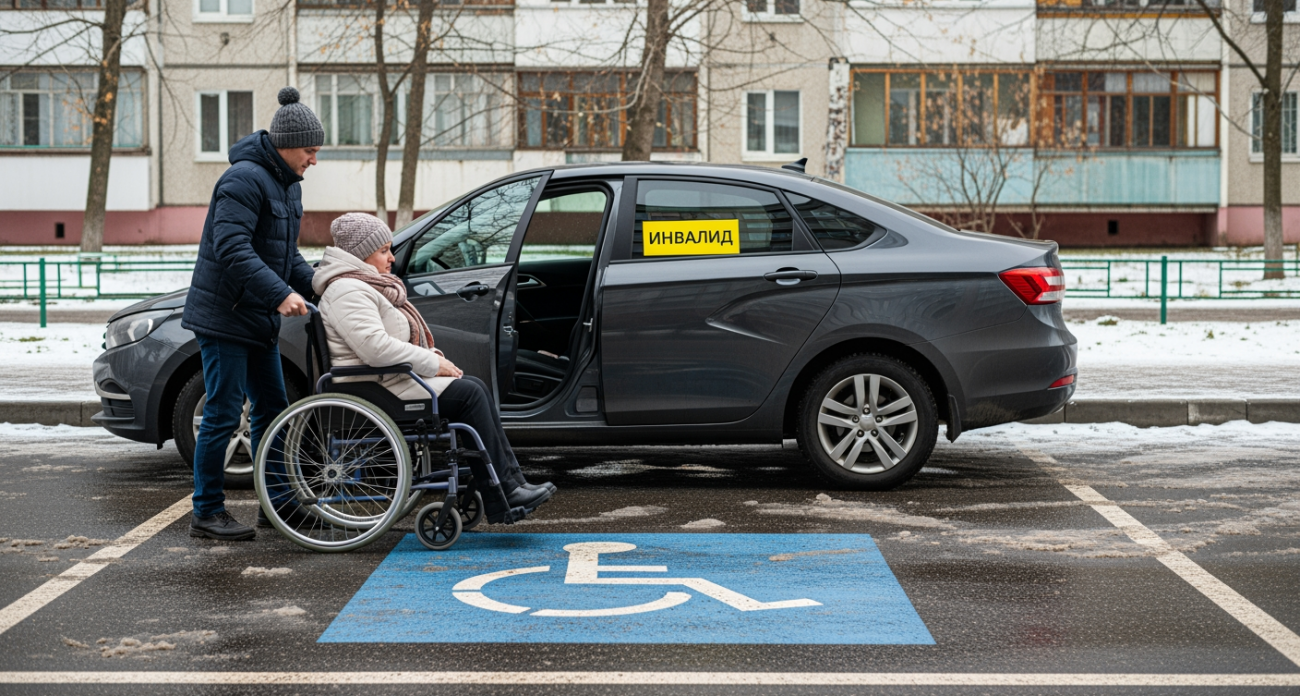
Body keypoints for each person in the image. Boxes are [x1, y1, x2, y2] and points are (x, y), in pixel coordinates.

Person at [312, 213, 555, 519]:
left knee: (474, 388)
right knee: (470, 395)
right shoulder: (348, 291)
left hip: (387, 380)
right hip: (373, 388)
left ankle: (507, 488)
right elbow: (376, 348)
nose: (392, 257)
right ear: (361, 254)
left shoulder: (362, 286)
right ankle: (504, 490)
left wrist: (434, 360)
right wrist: (432, 364)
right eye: (384, 250)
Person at [182, 86, 323, 541]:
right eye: (310, 150)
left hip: (256, 316)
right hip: (225, 316)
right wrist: (280, 293)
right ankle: (206, 512)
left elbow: (286, 256)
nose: (313, 160)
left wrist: (325, 284)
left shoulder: (285, 185)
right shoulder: (243, 179)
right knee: (223, 413)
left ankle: (278, 505)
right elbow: (232, 248)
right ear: (286, 145)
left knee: (273, 410)